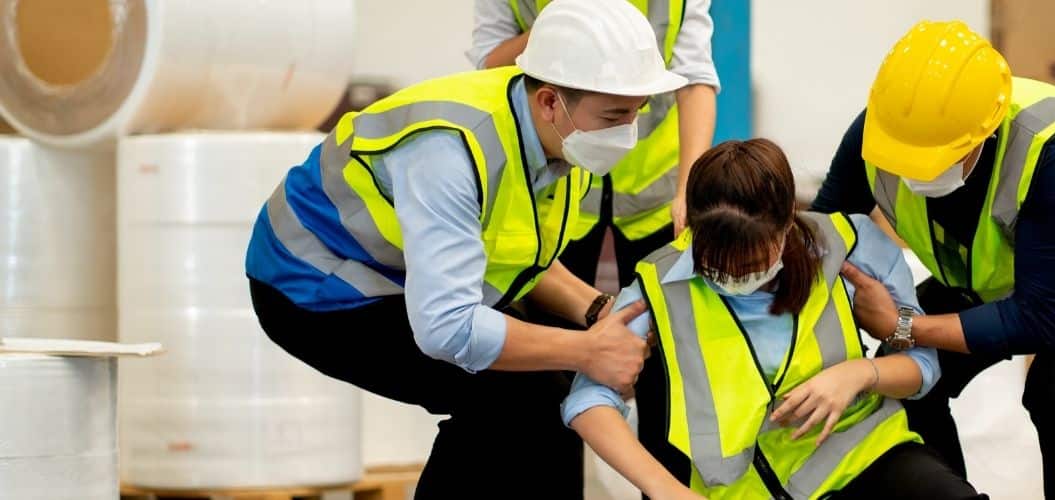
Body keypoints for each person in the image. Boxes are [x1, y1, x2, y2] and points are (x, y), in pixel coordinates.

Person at [243, 0, 683, 496]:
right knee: (515, 400)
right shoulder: (452, 150)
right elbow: (446, 328)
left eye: (637, 112)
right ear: (550, 103)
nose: (628, 131)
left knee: (547, 402)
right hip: (314, 284)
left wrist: (598, 311)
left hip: (392, 276)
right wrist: (587, 350)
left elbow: (523, 259)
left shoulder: (563, 139)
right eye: (615, 115)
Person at [812, 21, 1055, 499]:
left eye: (937, 158)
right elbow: (819, 238)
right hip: (993, 274)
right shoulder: (880, 133)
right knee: (902, 376)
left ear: (984, 133)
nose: (912, 172)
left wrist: (903, 323)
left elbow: (1036, 320)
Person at [563, 139, 986, 500]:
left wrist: (859, 374)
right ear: (690, 227)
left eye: (750, 261)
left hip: (866, 458)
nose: (735, 274)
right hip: (742, 489)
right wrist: (666, 488)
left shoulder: (851, 247)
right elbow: (586, 401)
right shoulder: (657, 287)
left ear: (787, 225)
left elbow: (923, 368)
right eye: (715, 262)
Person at [470, 0, 720, 290]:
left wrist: (689, 188)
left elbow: (695, 78)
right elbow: (489, 67)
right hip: (555, 190)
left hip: (655, 193)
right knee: (558, 319)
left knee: (662, 315)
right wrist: (567, 18)